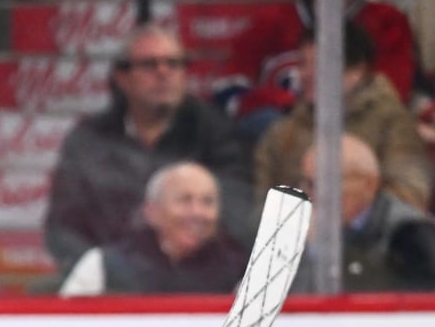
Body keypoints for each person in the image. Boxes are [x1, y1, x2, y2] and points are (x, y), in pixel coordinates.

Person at [44, 24, 251, 277]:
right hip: (112, 282)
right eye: (150, 65)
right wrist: (101, 269)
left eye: (173, 64)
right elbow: (63, 228)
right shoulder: (89, 139)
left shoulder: (216, 132)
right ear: (122, 77)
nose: (163, 73)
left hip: (198, 281)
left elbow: (237, 213)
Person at [254, 24, 431, 213]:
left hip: (367, 232)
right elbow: (260, 209)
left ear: (357, 71)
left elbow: (410, 196)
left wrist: (348, 214)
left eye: (319, 64)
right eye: (303, 63)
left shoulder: (393, 124)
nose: (305, 74)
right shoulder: (284, 131)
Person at [229, 0, 416, 132]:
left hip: (359, 131)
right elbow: (231, 90)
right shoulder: (270, 22)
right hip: (287, 133)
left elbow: (392, 94)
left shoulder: (386, 20)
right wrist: (287, 104)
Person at [58, 162, 248, 297]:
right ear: (152, 211)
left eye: (207, 202)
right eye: (184, 200)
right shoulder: (104, 264)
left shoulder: (240, 271)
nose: (197, 212)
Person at [299, 134, 435, 291]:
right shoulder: (303, 226)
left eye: (326, 183)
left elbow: (408, 297)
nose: (312, 193)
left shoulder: (410, 234)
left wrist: (320, 249)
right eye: (307, 183)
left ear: (369, 184)